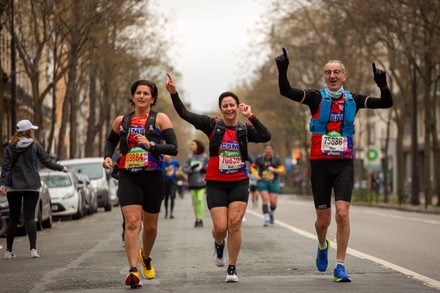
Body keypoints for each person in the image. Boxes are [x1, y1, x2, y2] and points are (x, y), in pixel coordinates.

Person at [275, 48, 393, 282]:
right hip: (319, 165)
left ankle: (340, 265)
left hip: (344, 164)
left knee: (342, 213)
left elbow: (386, 103)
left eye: (337, 72)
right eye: (328, 72)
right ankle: (322, 244)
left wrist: (383, 84)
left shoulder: (354, 100)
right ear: (324, 76)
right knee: (323, 221)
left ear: (344, 76)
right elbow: (285, 91)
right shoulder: (315, 98)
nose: (332, 75)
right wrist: (283, 69)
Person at [165, 73, 271, 282]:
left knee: (235, 224)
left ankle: (232, 268)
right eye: (225, 105)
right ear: (220, 108)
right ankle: (219, 245)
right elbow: (184, 113)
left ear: (238, 107)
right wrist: (174, 94)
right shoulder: (211, 124)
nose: (229, 109)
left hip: (239, 181)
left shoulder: (244, 129)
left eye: (233, 105)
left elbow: (266, 136)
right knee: (220, 228)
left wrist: (252, 116)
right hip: (215, 184)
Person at [102, 79, 178, 288]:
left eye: (146, 93)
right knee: (133, 222)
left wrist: (151, 145)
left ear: (153, 98)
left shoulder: (160, 119)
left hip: (153, 176)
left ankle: (146, 255)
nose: (142, 96)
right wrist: (108, 156)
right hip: (129, 176)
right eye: (138, 93)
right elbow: (110, 142)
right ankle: (133, 270)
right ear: (133, 96)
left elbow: (173, 148)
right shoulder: (121, 121)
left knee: (151, 226)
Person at [0, 119, 68, 259]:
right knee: (30, 217)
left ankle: (8, 251)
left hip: (14, 187)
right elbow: (47, 161)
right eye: (32, 129)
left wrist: (3, 185)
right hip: (32, 186)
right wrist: (61, 168)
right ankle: (33, 250)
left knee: (13, 218)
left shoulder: (9, 147)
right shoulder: (35, 146)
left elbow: (6, 168)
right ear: (29, 131)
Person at [251, 143, 285, 226]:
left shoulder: (276, 158)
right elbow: (253, 167)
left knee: (273, 202)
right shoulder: (260, 158)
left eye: (270, 149)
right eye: (267, 148)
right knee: (265, 199)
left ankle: (271, 212)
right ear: (264, 149)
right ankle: (266, 218)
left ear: (272, 150)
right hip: (263, 181)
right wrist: (256, 176)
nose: (268, 150)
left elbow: (281, 169)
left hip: (274, 181)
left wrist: (274, 170)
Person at [183, 139, 209, 227]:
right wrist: (192, 168)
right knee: (194, 202)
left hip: (202, 182)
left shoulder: (205, 157)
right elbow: (185, 169)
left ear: (198, 145)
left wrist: (203, 168)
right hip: (192, 183)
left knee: (200, 199)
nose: (191, 146)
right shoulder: (189, 158)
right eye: (191, 145)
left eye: (193, 144)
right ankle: (196, 218)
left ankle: (200, 218)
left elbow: (209, 168)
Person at [163, 154, 180, 219]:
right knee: (166, 198)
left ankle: (171, 213)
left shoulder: (174, 162)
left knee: (172, 197)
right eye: (165, 156)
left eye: (168, 155)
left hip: (173, 182)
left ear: (170, 156)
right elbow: (161, 172)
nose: (167, 157)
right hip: (165, 182)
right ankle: (166, 212)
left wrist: (178, 171)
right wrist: (166, 170)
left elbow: (179, 166)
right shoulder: (162, 163)